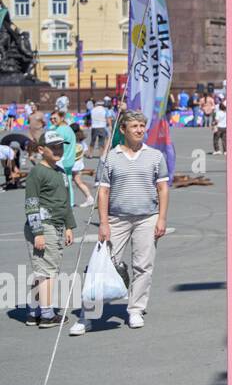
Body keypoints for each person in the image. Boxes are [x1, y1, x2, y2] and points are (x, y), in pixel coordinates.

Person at [69, 110, 170, 334]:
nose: (139, 130)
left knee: (143, 266)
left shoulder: (155, 156)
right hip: (116, 219)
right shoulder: (110, 158)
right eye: (134, 126)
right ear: (123, 130)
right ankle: (87, 315)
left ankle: (135, 309)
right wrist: (103, 222)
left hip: (147, 218)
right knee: (102, 266)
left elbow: (163, 188)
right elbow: (103, 193)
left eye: (142, 126)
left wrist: (161, 218)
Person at [24, 133, 76, 328]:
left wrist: (69, 226)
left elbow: (65, 202)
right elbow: (31, 203)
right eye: (53, 147)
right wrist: (37, 232)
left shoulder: (60, 171)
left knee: (42, 270)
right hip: (43, 226)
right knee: (47, 272)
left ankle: (34, 311)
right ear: (40, 150)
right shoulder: (37, 173)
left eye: (60, 147)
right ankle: (47, 314)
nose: (58, 151)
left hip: (57, 225)